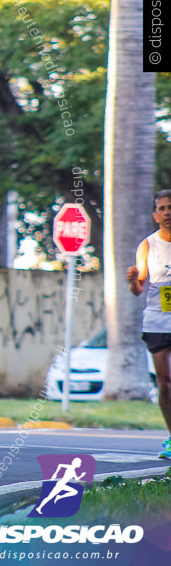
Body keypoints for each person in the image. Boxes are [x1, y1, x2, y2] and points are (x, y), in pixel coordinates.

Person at [126, 189, 171, 459]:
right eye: (162, 208)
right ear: (156, 215)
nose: (167, 212)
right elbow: (138, 288)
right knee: (165, 384)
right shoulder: (148, 245)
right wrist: (133, 279)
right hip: (157, 321)